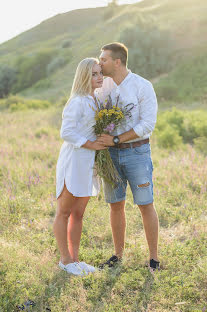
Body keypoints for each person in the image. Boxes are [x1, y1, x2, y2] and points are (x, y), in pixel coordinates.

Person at [96, 42, 160, 271]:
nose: (99, 62)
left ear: (117, 61)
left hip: (137, 153)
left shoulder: (142, 86)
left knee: (145, 204)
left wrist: (116, 139)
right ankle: (118, 255)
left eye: (103, 59)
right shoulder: (102, 86)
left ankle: (153, 258)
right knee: (115, 204)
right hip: (110, 156)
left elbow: (147, 124)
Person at [53, 58, 106, 276]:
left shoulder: (95, 100)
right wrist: (92, 143)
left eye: (100, 72)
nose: (99, 77)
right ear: (84, 76)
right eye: (94, 74)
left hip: (89, 163)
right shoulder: (76, 101)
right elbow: (66, 132)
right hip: (74, 160)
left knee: (79, 214)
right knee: (64, 211)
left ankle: (75, 260)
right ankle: (65, 260)